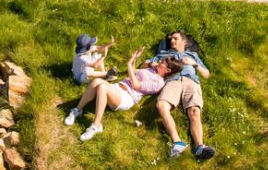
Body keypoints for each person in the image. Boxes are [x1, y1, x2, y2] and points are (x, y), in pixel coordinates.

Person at [65, 47, 182, 142]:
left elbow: (136, 85)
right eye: (163, 60)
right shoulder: (152, 69)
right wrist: (135, 59)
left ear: (168, 71)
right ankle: (77, 110)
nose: (160, 61)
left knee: (102, 87)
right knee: (96, 82)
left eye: (164, 62)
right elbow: (135, 72)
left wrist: (129, 64)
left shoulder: (158, 83)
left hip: (127, 97)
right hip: (117, 87)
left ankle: (96, 126)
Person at [152, 30, 216, 161]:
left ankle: (199, 147)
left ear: (184, 42)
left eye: (175, 38)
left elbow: (206, 74)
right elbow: (144, 64)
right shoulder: (164, 54)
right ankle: (177, 143)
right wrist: (154, 64)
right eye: (170, 39)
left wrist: (194, 64)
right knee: (161, 105)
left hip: (191, 81)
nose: (172, 41)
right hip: (172, 80)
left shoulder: (192, 55)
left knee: (194, 111)